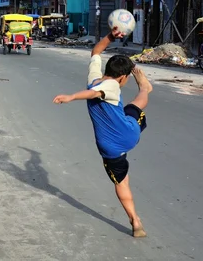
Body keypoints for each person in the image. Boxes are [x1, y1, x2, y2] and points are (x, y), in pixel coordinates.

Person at [52, 27, 153, 238]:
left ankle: (135, 222)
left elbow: (96, 52)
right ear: (122, 78)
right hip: (129, 133)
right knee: (137, 104)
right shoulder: (113, 85)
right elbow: (95, 93)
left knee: (121, 182)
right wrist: (71, 97)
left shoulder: (95, 77)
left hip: (110, 147)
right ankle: (144, 87)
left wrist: (109, 36)